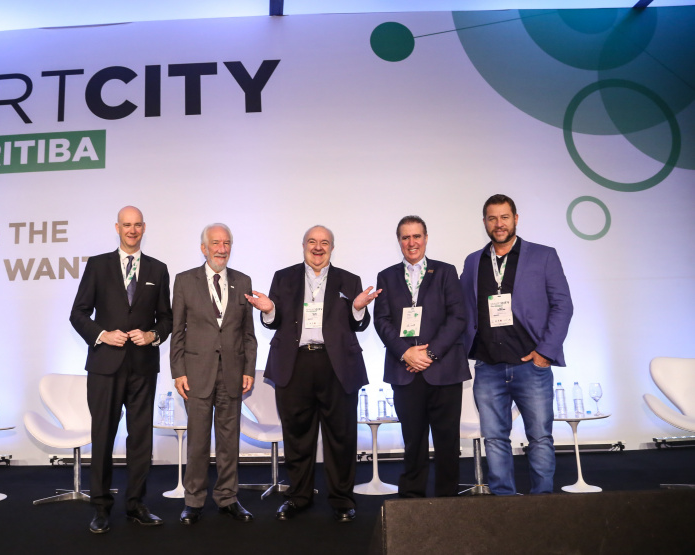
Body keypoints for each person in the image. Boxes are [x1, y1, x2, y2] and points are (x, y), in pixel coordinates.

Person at [245, 225, 380, 522]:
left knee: (341, 436)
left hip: (337, 366)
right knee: (297, 436)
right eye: (312, 242)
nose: (318, 248)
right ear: (303, 245)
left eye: (324, 243)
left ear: (332, 247)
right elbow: (273, 320)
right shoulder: (284, 277)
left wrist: (358, 309)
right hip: (295, 364)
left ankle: (342, 499)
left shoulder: (349, 279)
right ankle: (299, 497)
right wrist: (268, 310)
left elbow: (358, 324)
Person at [460, 194, 573, 495]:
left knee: (539, 438)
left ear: (516, 219)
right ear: (484, 222)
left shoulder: (543, 256)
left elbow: (563, 305)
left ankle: (542, 503)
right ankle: (504, 504)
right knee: (494, 439)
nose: (499, 224)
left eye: (504, 217)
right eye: (492, 218)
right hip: (488, 368)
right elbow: (461, 309)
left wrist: (544, 354)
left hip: (530, 366)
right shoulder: (474, 261)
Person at [70, 205, 173, 533]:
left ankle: (136, 504)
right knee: (103, 436)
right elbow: (79, 313)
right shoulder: (98, 265)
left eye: (137, 225)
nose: (132, 230)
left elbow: (167, 318)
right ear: (117, 227)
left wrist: (153, 335)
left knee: (141, 438)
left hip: (143, 367)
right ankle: (100, 507)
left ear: (144, 228)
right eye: (126, 225)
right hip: (105, 367)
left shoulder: (158, 269)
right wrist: (101, 334)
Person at [374, 215, 470, 498]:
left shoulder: (445, 272)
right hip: (405, 372)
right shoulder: (387, 276)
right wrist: (405, 353)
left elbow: (458, 317)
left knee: (447, 441)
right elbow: (382, 321)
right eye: (405, 237)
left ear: (426, 238)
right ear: (399, 241)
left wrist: (428, 353)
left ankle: (447, 499)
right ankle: (412, 501)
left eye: (417, 236)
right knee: (413, 440)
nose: (411, 242)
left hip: (444, 370)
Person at [170, 223, 257, 525]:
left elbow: (248, 334)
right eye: (216, 243)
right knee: (196, 441)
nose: (222, 249)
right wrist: (178, 371)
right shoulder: (184, 281)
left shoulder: (243, 281)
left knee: (229, 441)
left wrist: (249, 369)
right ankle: (193, 501)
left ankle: (228, 498)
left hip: (232, 373)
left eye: (227, 243)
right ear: (203, 247)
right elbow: (177, 330)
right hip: (196, 374)